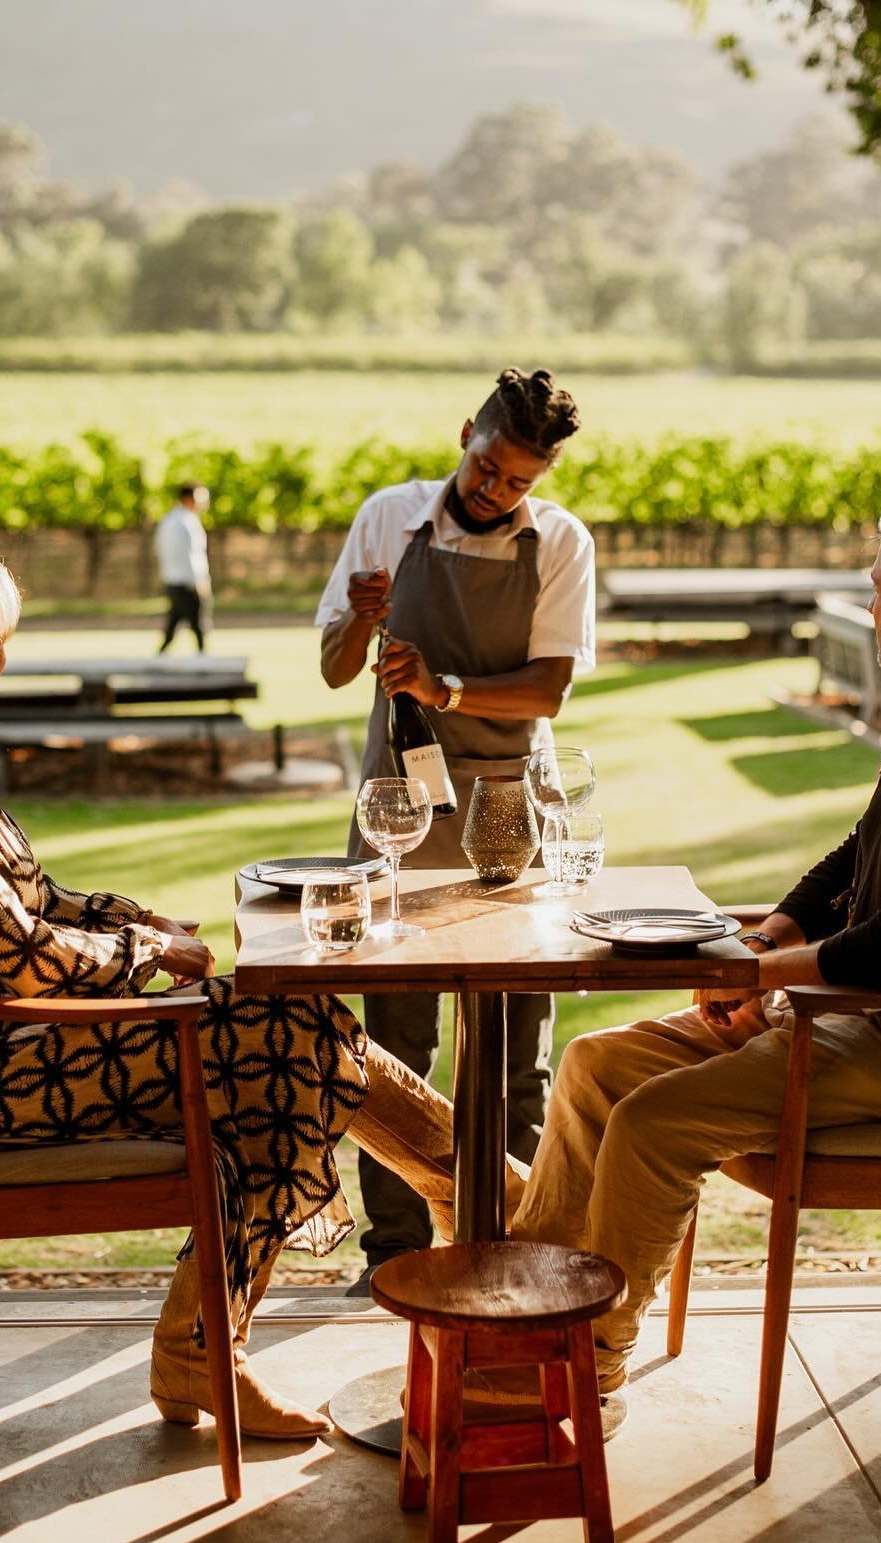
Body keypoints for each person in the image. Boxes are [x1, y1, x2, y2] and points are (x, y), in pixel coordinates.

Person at [0, 539, 487, 1443]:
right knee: (284, 1045)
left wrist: (147, 924)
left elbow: (40, 901)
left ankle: (224, 1331)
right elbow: (20, 956)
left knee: (285, 1040)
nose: (4, 661)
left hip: (26, 1046)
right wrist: (142, 951)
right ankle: (467, 1192)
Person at [510, 480, 881, 1436]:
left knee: (650, 1122)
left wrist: (752, 979)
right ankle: (522, 1318)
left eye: (879, 580)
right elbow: (853, 859)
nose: (870, 590)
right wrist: (768, 936)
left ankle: (590, 1365)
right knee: (597, 1068)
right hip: (853, 1013)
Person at [317, 367, 596, 1272]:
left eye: (520, 481)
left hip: (509, 802)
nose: (498, 491)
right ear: (464, 433)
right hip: (399, 800)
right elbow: (333, 666)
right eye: (488, 468)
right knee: (391, 1047)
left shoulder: (560, 544)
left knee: (516, 1045)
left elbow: (549, 689)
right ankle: (395, 1254)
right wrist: (361, 626)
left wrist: (449, 688)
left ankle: (510, 1243)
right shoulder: (388, 518)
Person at [154, 484, 212, 653]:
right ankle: (203, 659)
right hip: (187, 581)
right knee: (198, 623)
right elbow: (192, 555)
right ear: (189, 499)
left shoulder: (169, 520)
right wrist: (199, 580)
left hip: (172, 579)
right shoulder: (186, 523)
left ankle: (161, 655)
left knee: (175, 621)